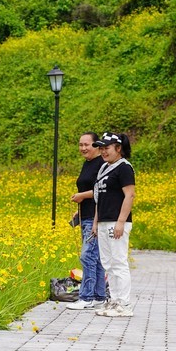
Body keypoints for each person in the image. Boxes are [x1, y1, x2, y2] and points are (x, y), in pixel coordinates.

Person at [92, 132, 136, 318]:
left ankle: (124, 303)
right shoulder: (103, 168)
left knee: (119, 262)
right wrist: (95, 222)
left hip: (117, 222)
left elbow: (130, 195)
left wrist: (120, 222)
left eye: (107, 148)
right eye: (101, 148)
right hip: (103, 221)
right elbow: (99, 198)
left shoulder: (124, 168)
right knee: (107, 263)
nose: (103, 151)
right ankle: (114, 300)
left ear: (118, 148)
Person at [66, 132, 108, 310]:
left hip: (96, 217)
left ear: (97, 146)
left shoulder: (102, 165)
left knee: (88, 256)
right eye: (80, 144)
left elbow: (101, 190)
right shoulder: (87, 164)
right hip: (85, 215)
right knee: (96, 258)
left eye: (87, 145)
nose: (83, 148)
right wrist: (78, 211)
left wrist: (81, 196)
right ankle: (100, 295)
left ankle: (86, 297)